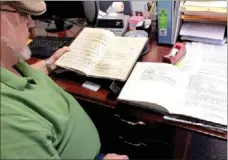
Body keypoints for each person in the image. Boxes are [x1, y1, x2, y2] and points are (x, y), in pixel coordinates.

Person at [0, 1, 129, 159]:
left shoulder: (9, 63)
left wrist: (50, 63)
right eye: (23, 14)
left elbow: (19, 77)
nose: (31, 22)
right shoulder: (6, 122)